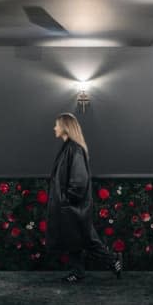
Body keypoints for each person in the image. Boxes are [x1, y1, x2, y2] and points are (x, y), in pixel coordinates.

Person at [45, 112, 123, 283]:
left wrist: (67, 199)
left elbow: (79, 180)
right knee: (75, 240)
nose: (54, 128)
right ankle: (79, 271)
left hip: (74, 207)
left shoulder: (74, 149)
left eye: (57, 124)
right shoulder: (69, 147)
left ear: (65, 127)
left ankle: (112, 261)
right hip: (71, 207)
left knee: (87, 239)